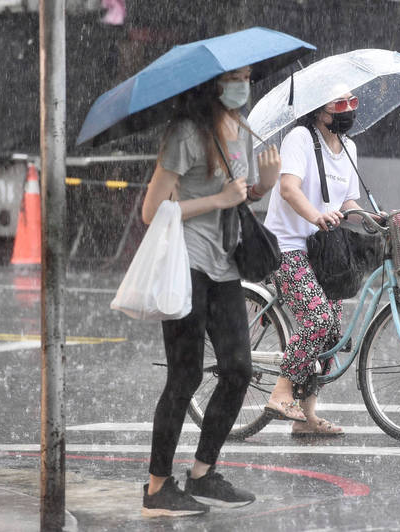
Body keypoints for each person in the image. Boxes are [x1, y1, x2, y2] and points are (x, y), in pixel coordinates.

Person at [139, 65, 280, 517]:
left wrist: (263, 187)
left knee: (238, 370)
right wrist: (218, 200)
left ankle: (202, 473)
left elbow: (237, 195)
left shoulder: (242, 128)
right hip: (188, 265)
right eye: (236, 77)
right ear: (213, 85)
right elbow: (151, 210)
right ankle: (157, 487)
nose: (245, 84)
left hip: (225, 267)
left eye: (248, 76)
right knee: (185, 377)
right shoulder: (185, 133)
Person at [263, 90, 376, 436]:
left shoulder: (349, 148)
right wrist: (315, 216)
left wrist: (370, 217)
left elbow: (348, 201)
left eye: (352, 102)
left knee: (331, 331)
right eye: (339, 103)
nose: (348, 110)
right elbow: (288, 189)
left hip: (323, 250)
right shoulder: (299, 138)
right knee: (317, 317)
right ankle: (281, 393)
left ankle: (307, 418)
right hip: (288, 245)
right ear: (319, 109)